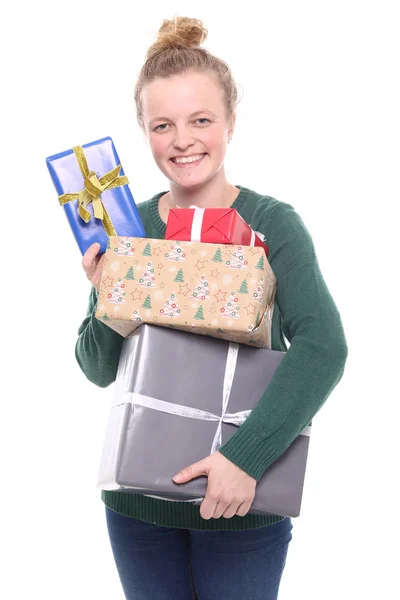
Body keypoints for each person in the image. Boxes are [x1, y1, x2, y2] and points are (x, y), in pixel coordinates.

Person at [76, 16, 348, 600]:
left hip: (241, 500)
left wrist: (244, 458)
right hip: (137, 504)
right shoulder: (132, 226)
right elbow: (98, 368)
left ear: (230, 123)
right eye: (162, 125)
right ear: (144, 132)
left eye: (201, 120)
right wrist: (107, 292)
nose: (183, 140)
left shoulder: (273, 223)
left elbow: (325, 346)